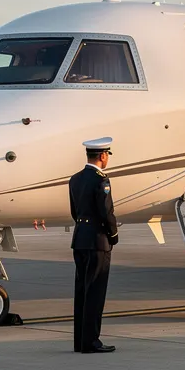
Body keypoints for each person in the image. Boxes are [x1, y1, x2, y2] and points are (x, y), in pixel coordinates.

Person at [69, 137, 119, 353]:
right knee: (95, 292)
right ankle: (91, 342)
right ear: (103, 156)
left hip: (80, 238)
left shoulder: (75, 179)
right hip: (98, 241)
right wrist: (113, 234)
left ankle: (80, 341)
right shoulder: (101, 181)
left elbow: (74, 211)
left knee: (81, 291)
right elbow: (106, 212)